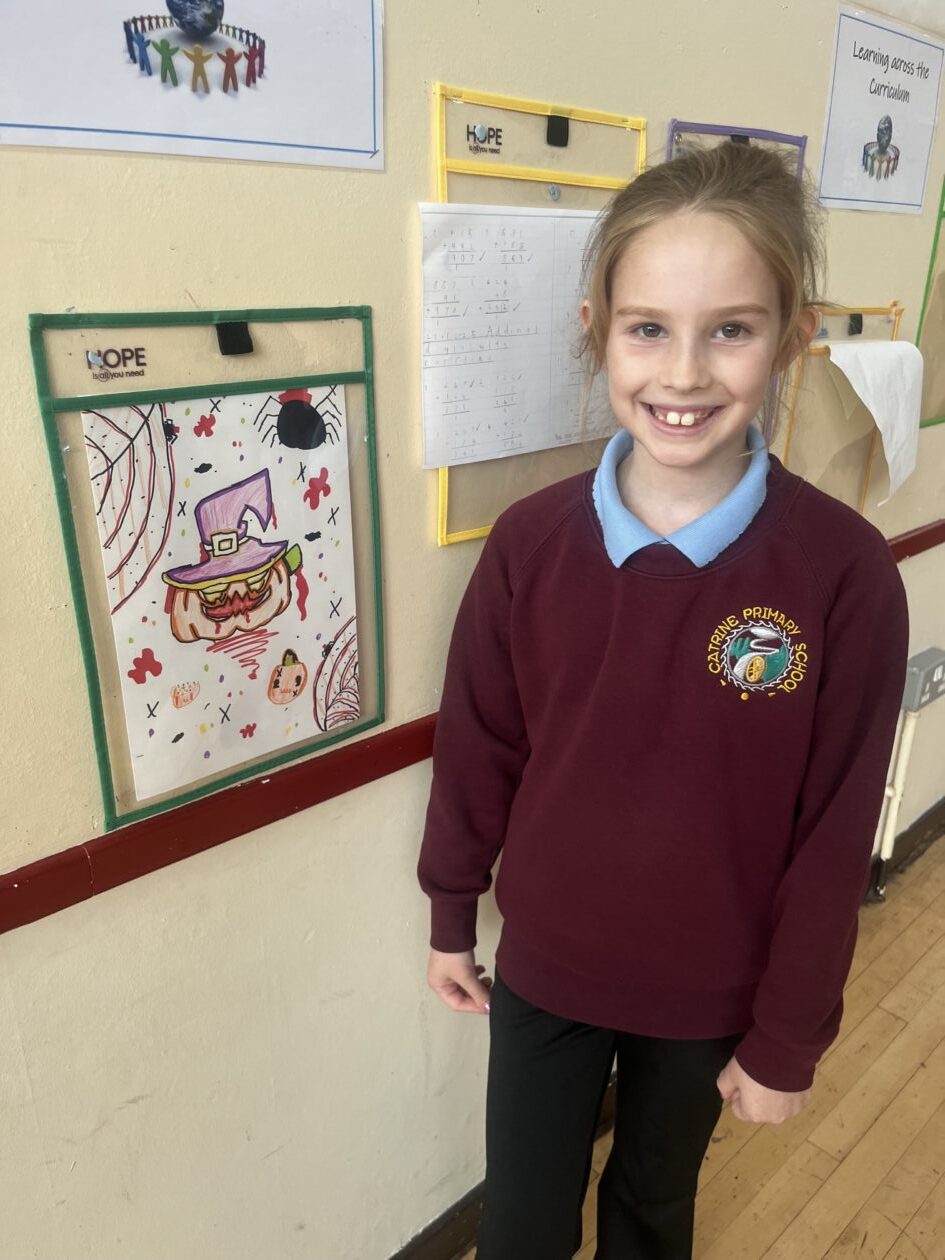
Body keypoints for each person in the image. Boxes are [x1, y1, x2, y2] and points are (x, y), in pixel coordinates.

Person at [417, 142, 908, 1260]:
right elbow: (482, 744)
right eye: (648, 328)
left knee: (652, 1210)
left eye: (730, 329)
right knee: (523, 1224)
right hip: (547, 968)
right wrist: (451, 909)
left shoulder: (842, 574)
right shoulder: (530, 543)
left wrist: (787, 1037)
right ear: (596, 328)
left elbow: (834, 829)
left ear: (791, 335)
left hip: (711, 986)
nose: (683, 373)